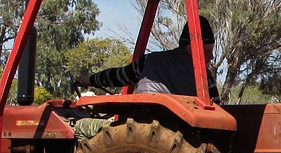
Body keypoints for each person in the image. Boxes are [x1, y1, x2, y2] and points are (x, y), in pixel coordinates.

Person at [75, 15, 220, 101]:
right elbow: (217, 108)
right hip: (180, 137)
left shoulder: (150, 62)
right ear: (191, 49)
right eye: (207, 52)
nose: (211, 57)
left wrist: (88, 80)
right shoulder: (204, 77)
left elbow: (118, 76)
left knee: (82, 126)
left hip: (144, 128)